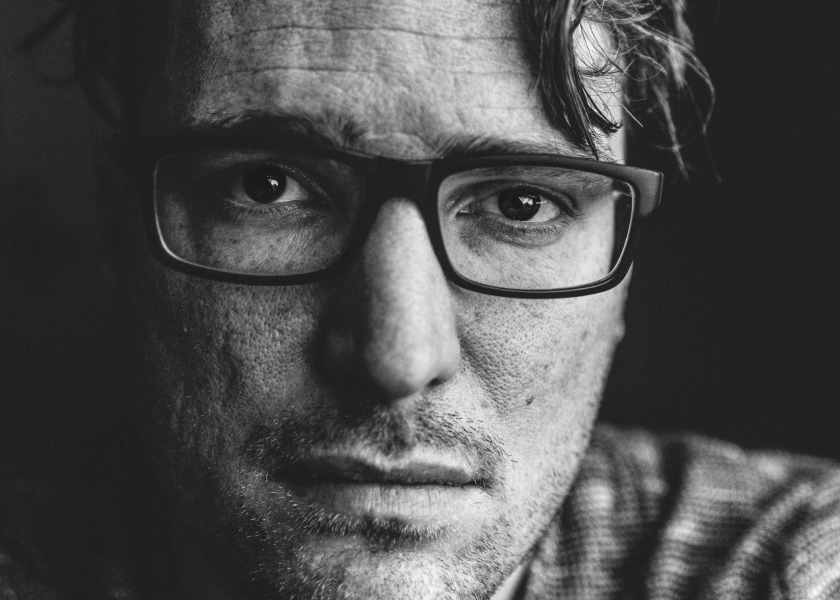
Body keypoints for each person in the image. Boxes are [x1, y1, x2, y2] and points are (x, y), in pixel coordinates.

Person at [2, 0, 840, 599]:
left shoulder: (783, 564)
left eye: (521, 204)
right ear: (118, 230)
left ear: (624, 273)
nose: (396, 358)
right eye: (267, 186)